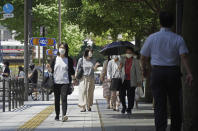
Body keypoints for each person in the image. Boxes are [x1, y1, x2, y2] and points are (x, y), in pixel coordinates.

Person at [140, 11, 193, 131]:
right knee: (175, 104)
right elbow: (184, 56)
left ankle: (160, 128)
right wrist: (189, 73)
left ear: (160, 22)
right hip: (173, 73)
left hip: (157, 73)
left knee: (159, 105)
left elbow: (143, 57)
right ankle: (175, 128)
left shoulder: (152, 38)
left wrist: (144, 69)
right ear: (173, 23)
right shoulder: (178, 38)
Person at [46, 43, 75, 122]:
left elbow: (72, 71)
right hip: (55, 82)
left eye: (63, 48)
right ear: (58, 49)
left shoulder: (69, 60)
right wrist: (48, 68)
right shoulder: (55, 59)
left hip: (65, 82)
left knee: (64, 98)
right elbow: (52, 71)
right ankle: (57, 115)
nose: (62, 49)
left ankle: (64, 115)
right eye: (60, 47)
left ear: (66, 49)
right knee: (57, 99)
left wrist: (74, 79)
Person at [76, 48, 100, 112]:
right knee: (83, 91)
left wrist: (96, 66)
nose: (91, 53)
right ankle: (83, 107)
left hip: (91, 78)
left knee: (90, 92)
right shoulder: (81, 60)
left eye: (92, 52)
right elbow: (77, 68)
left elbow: (93, 69)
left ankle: (89, 106)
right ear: (86, 52)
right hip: (83, 78)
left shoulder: (93, 60)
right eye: (89, 52)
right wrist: (75, 78)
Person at [120, 47, 142, 114]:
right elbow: (119, 69)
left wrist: (139, 81)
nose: (128, 53)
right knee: (121, 94)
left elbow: (138, 72)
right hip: (123, 80)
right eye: (127, 52)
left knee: (130, 95)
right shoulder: (122, 59)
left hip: (131, 80)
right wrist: (119, 66)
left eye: (130, 52)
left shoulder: (135, 61)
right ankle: (124, 106)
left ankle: (129, 108)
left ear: (132, 53)